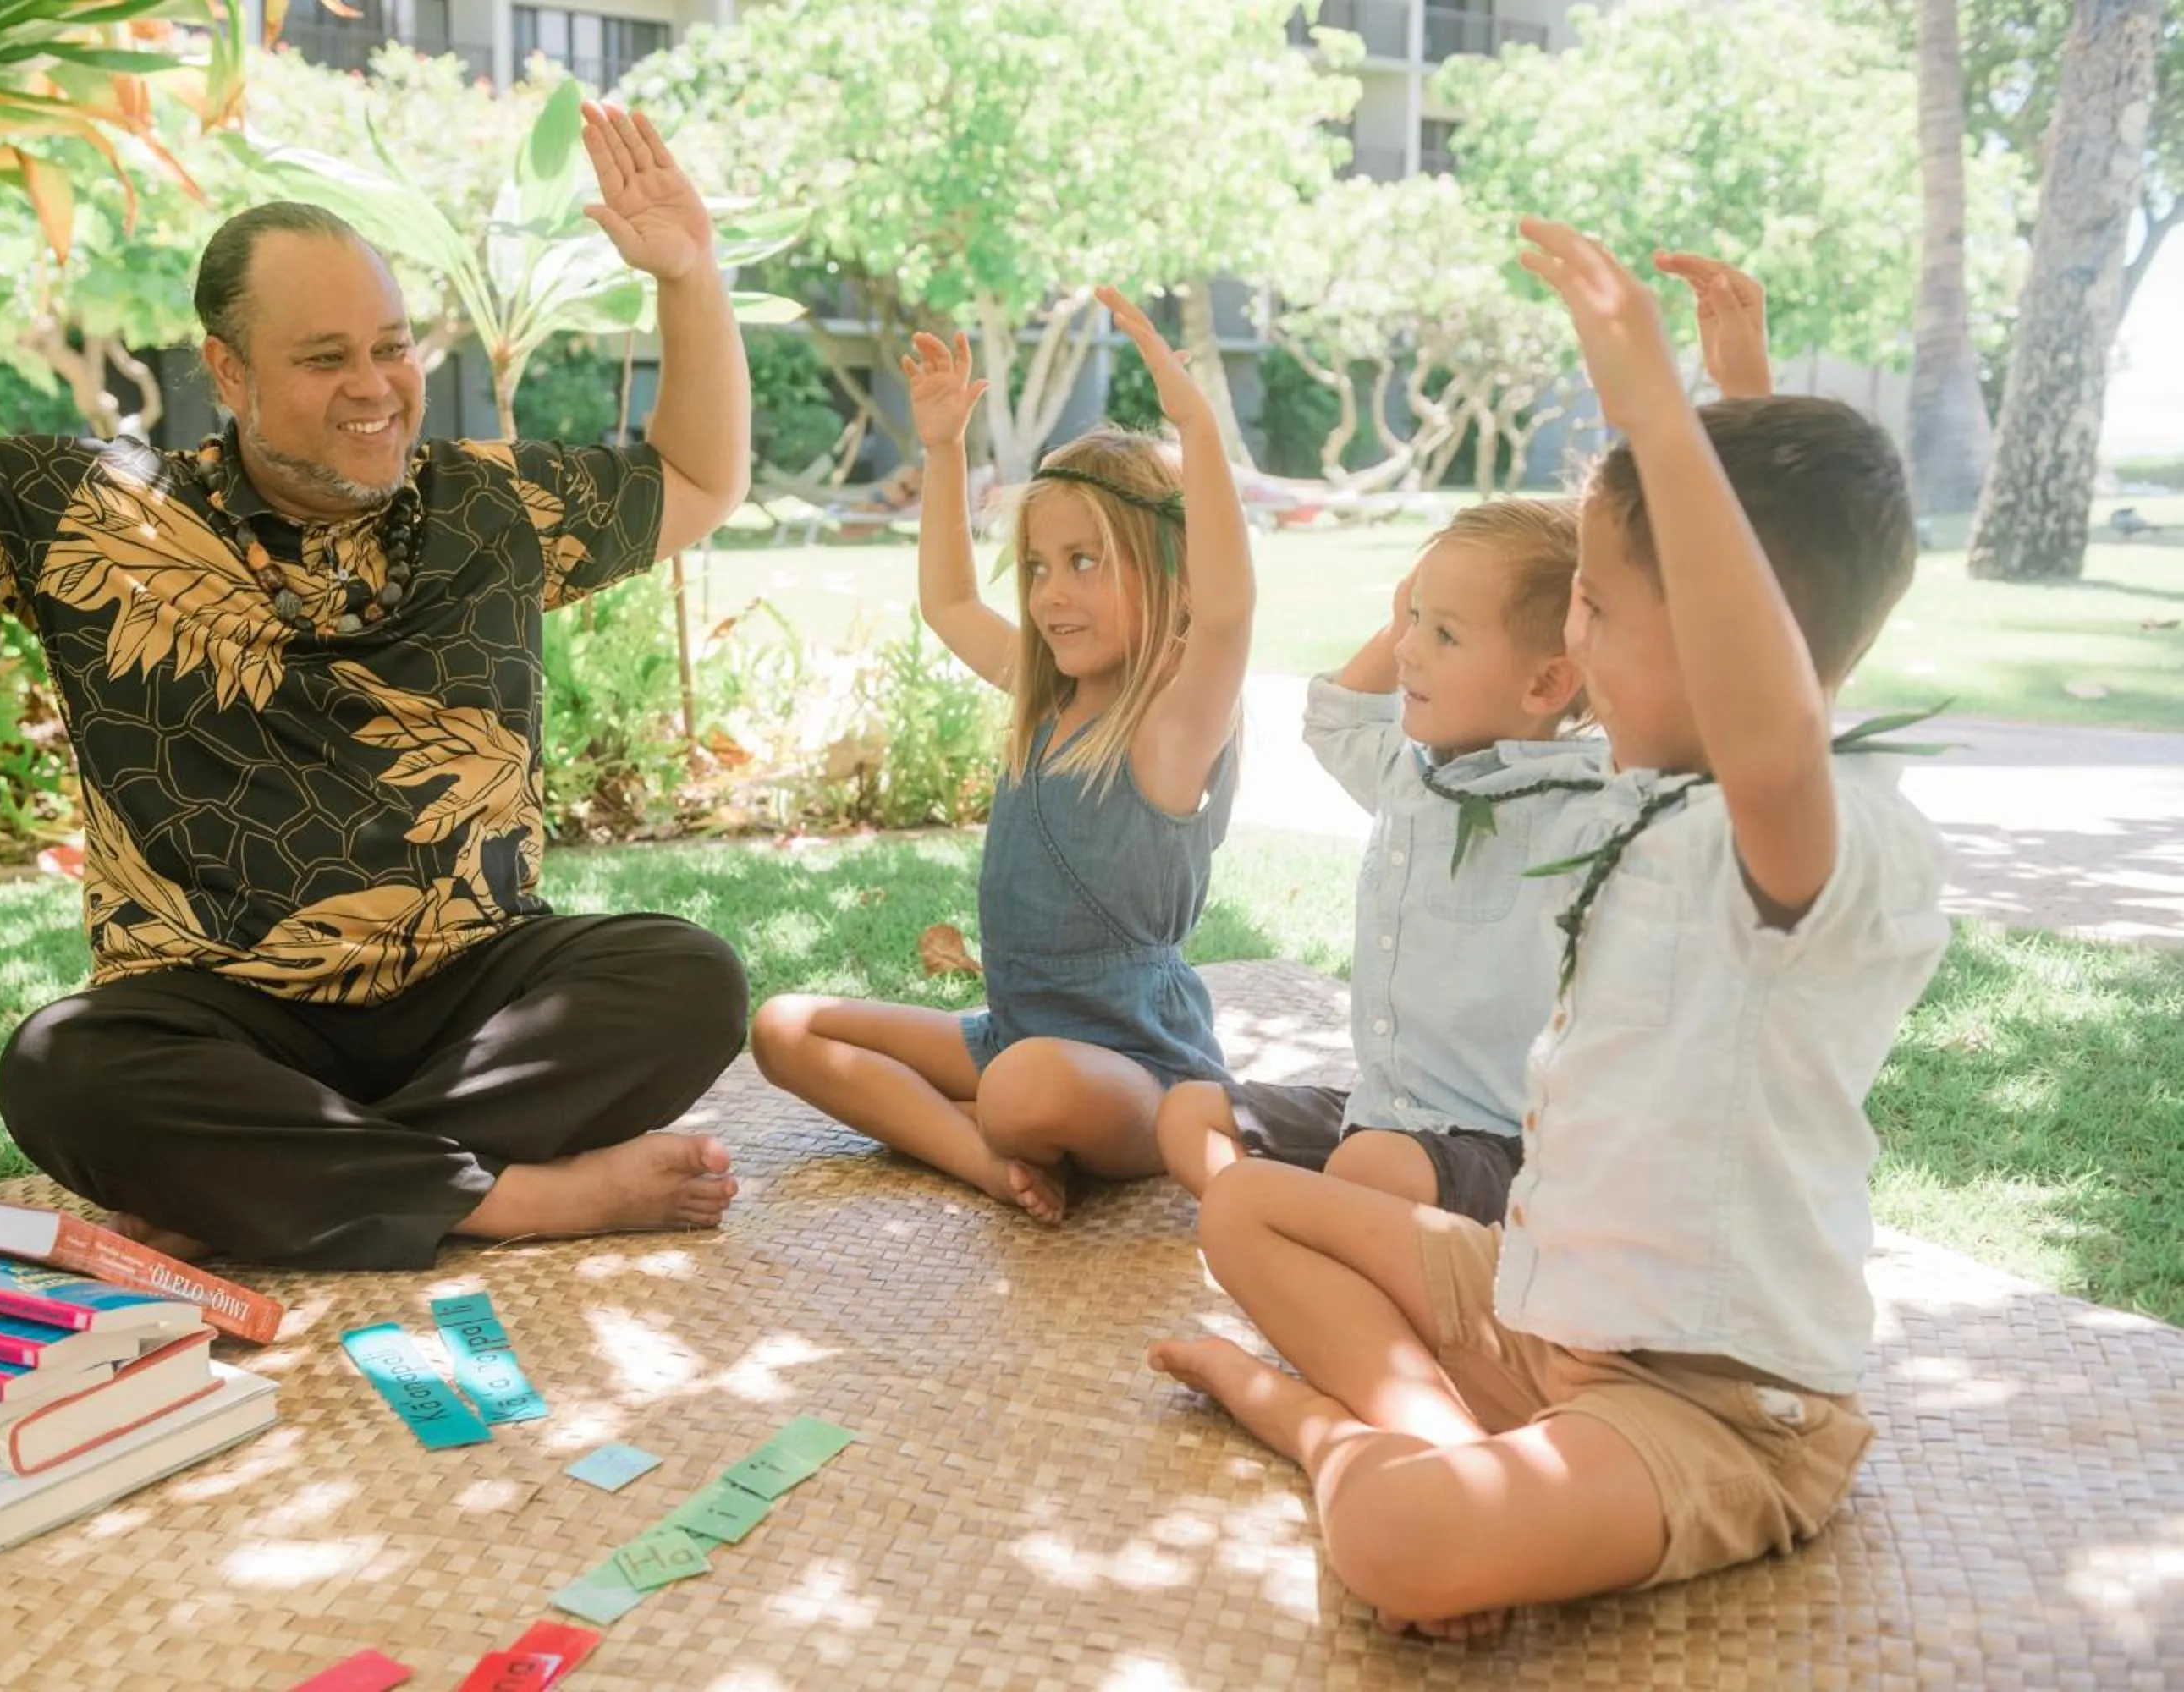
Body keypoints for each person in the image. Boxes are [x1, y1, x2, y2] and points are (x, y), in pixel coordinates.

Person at [0, 3, 756, 1269]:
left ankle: (283, 1181)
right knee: (63, 1069)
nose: (376, 388)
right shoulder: (97, 518)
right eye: (325, 356)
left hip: (473, 989)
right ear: (227, 375)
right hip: (219, 1016)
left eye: (391, 349)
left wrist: (685, 273)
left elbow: (698, 478)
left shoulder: (492, 507)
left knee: (688, 978)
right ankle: (507, 1197)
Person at [1148, 222, 1950, 1637]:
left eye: (1594, 595)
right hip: (1537, 1304)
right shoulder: (1647, 791)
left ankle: (1323, 1432)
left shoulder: (1812, 838)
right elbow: (1762, 642)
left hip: (1708, 1405)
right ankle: (1436, 1432)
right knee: (1246, 1196)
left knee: (1399, 1546)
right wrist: (1734, 403)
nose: (1570, 632)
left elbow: (1768, 712)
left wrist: (1657, 416)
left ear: (1715, 636)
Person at [751, 294, 1255, 1223]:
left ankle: (993, 1126)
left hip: (1139, 1073)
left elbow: (1226, 615)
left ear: (1167, 572)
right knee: (784, 1026)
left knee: (1027, 1090)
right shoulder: (1042, 694)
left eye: (1086, 562)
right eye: (1037, 565)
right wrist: (943, 452)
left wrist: (1195, 428)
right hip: (1010, 1035)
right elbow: (949, 604)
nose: (1052, 592)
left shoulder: (1172, 726)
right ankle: (980, 1158)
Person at [1154, 497, 1603, 1223]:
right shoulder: (1411, 771)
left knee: (1369, 1166)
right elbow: (1334, 714)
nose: (1407, 650)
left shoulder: (1587, 806)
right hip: (1387, 1115)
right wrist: (1409, 613)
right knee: (1190, 1113)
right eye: (1413, 620)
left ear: (1547, 685)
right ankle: (1305, 1225)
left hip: (1510, 1152)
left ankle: (1306, 1231)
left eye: (1445, 634)